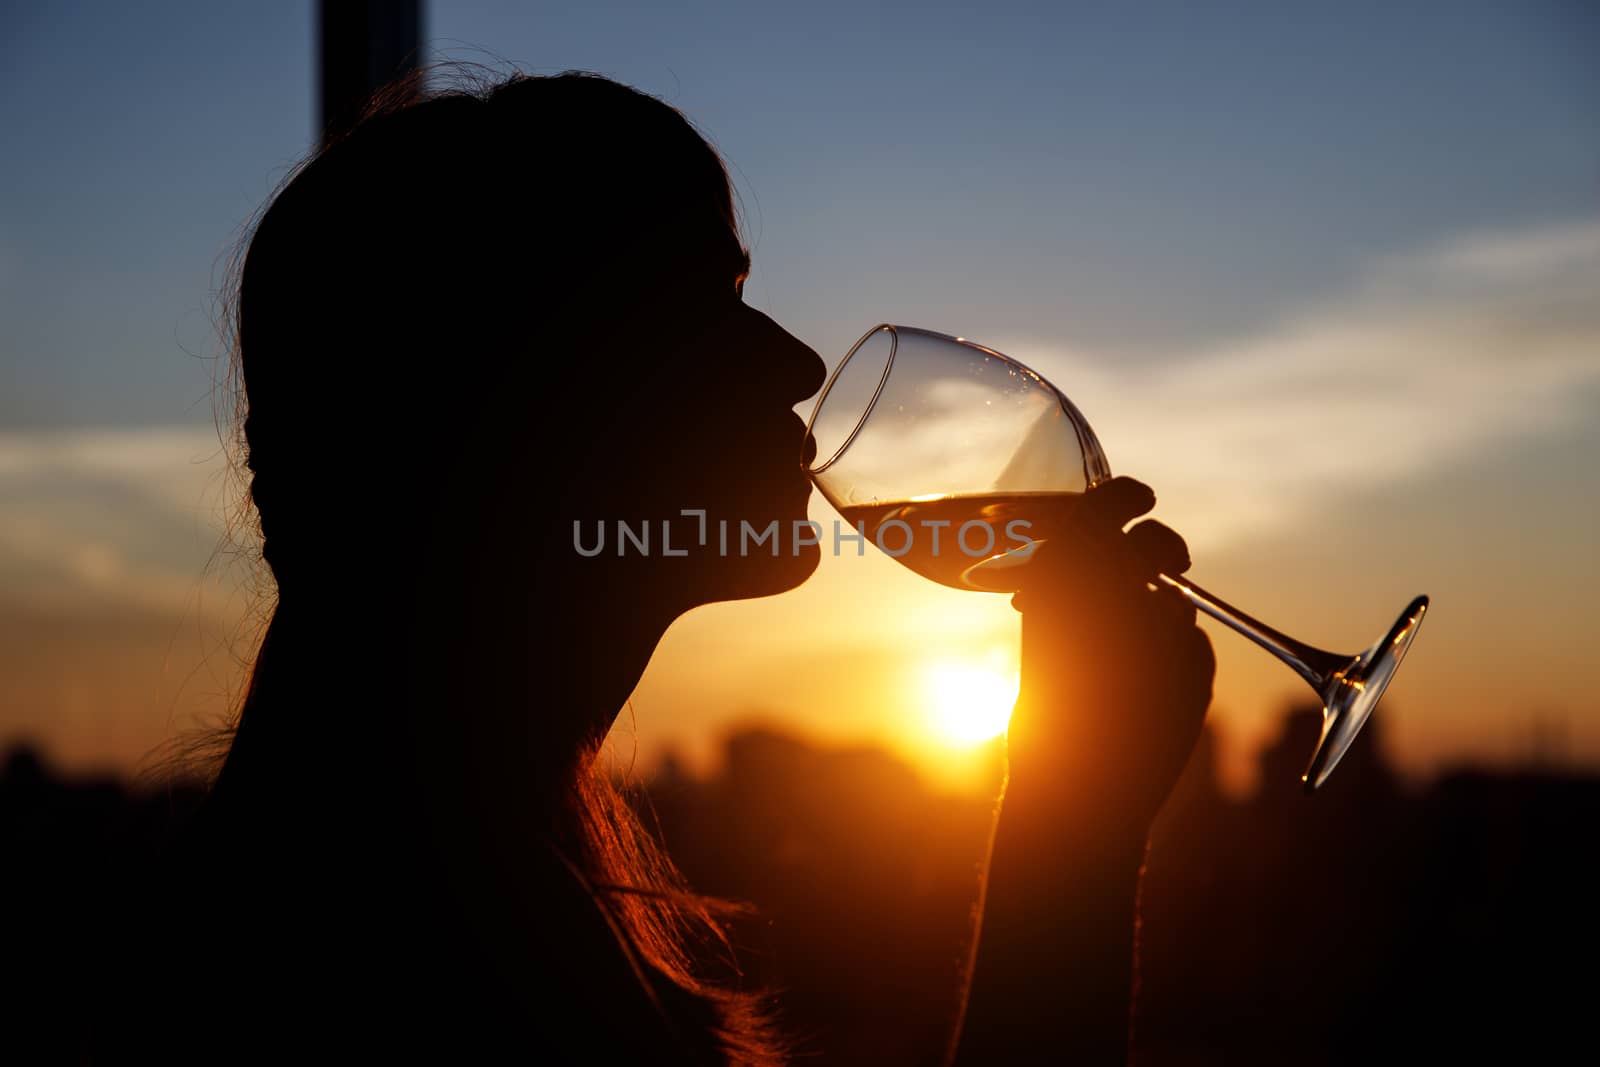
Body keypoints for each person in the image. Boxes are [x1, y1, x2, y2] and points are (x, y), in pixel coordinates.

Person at [95, 70, 1213, 1065]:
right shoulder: (417, 939)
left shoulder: (368, 865)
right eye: (698, 304)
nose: (797, 358)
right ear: (511, 395)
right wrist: (1073, 833)